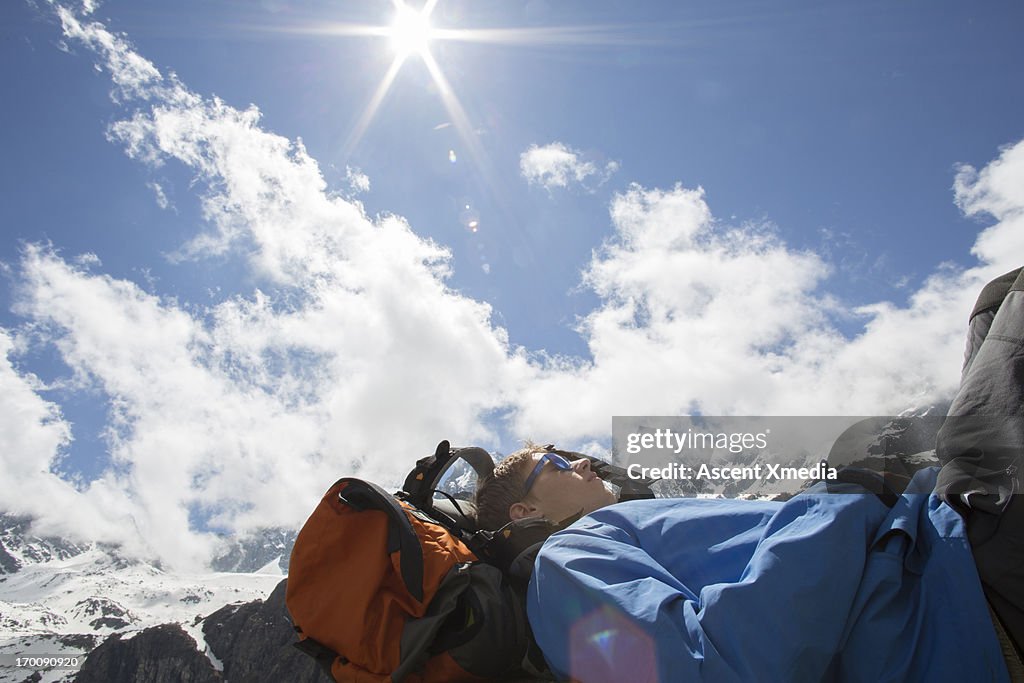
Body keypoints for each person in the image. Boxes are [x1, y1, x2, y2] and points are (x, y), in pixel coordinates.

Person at [473, 270, 1024, 683]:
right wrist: (847, 491)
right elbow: (709, 668)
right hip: (940, 598)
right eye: (556, 463)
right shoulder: (566, 559)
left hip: (937, 550)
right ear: (525, 511)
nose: (582, 461)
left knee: (995, 303)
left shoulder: (631, 529)